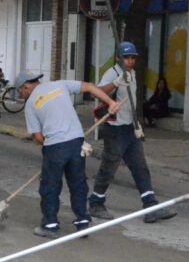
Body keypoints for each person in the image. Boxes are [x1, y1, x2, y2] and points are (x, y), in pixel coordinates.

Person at [17, 69, 120, 238]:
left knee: (50, 186)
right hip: (76, 142)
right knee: (78, 184)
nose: (21, 95)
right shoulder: (60, 85)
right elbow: (89, 87)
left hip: (55, 146)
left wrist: (51, 148)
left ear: (26, 87)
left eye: (20, 91)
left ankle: (50, 226)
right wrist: (110, 102)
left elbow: (37, 136)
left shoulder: (30, 105)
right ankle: (82, 223)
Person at [87, 41, 177, 224]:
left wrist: (137, 125)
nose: (130, 61)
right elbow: (97, 92)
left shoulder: (132, 74)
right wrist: (115, 83)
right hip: (114, 128)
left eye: (132, 58)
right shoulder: (113, 73)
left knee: (140, 167)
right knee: (109, 166)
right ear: (118, 58)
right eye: (126, 58)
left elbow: (131, 101)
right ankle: (95, 203)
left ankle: (150, 206)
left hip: (129, 127)